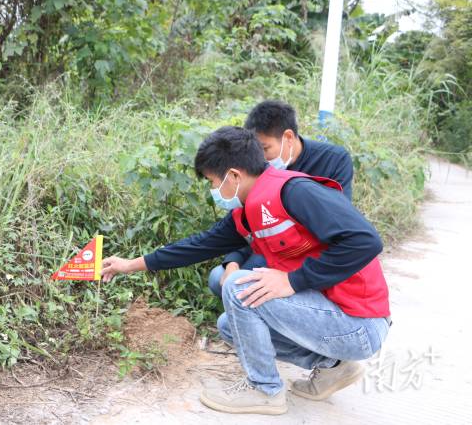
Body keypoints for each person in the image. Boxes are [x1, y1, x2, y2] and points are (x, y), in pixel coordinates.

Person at [101, 126, 391, 415]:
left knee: (239, 287)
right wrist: (130, 265)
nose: (213, 190)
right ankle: (334, 367)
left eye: (213, 182)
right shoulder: (248, 209)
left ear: (235, 175)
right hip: (332, 319)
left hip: (359, 323)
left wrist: (293, 280)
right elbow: (198, 245)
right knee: (230, 326)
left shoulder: (294, 191)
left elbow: (366, 241)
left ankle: (264, 390)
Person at [209, 101, 354, 346]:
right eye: (257, 150)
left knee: (241, 286)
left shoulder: (332, 161)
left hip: (305, 251)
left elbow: (338, 226)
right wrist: (233, 261)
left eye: (266, 148)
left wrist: (289, 278)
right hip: (270, 247)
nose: (262, 158)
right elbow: (243, 223)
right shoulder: (257, 168)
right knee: (219, 277)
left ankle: (301, 328)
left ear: (288, 137)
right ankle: (268, 331)